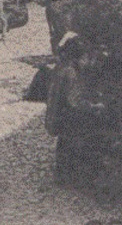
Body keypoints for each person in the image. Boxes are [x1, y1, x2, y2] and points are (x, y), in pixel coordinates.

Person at [45, 32, 106, 185]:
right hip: (68, 117)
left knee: (64, 145)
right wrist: (94, 106)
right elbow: (74, 101)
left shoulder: (62, 67)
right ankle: (70, 177)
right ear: (78, 57)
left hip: (58, 114)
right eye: (86, 57)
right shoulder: (71, 73)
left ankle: (62, 174)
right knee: (74, 143)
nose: (88, 61)